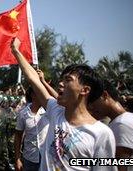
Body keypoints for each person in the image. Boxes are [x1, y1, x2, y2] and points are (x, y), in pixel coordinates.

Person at [11, 38, 116, 170]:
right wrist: (16, 51)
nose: (61, 84)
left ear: (85, 90)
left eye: (68, 80)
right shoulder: (55, 111)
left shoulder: (101, 134)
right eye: (62, 80)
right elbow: (33, 79)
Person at [89, 80, 133, 171]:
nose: (90, 107)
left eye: (92, 101)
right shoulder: (122, 120)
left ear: (105, 95)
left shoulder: (122, 123)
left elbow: (122, 166)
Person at [14, 87, 48, 171]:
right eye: (40, 92)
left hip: (46, 158)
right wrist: (17, 159)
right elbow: (18, 136)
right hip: (29, 158)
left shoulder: (49, 112)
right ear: (33, 95)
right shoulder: (23, 114)